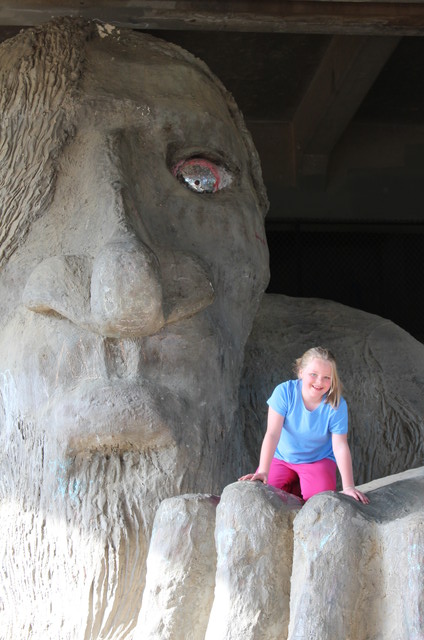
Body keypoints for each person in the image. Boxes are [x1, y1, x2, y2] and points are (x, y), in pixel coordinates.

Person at [239, 346, 369, 504]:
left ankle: (301, 486)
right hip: (282, 458)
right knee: (262, 496)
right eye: (313, 374)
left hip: (317, 460)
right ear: (301, 372)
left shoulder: (336, 404)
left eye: (327, 377)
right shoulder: (284, 392)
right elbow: (272, 434)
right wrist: (263, 470)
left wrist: (349, 486)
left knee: (319, 503)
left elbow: (340, 446)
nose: (319, 382)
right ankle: (292, 484)